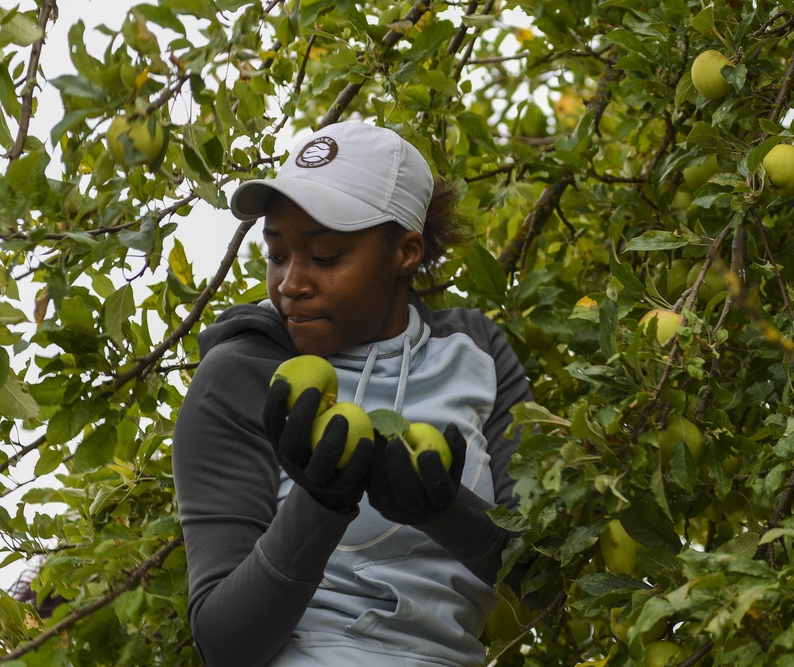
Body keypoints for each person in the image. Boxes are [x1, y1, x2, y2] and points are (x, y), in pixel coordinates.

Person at [172, 121, 533, 667]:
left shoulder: (476, 352)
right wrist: (319, 503)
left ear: (406, 252)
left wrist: (444, 510)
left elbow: (544, 579)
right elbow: (225, 644)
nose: (291, 283)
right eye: (277, 255)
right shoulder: (242, 372)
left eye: (323, 258)